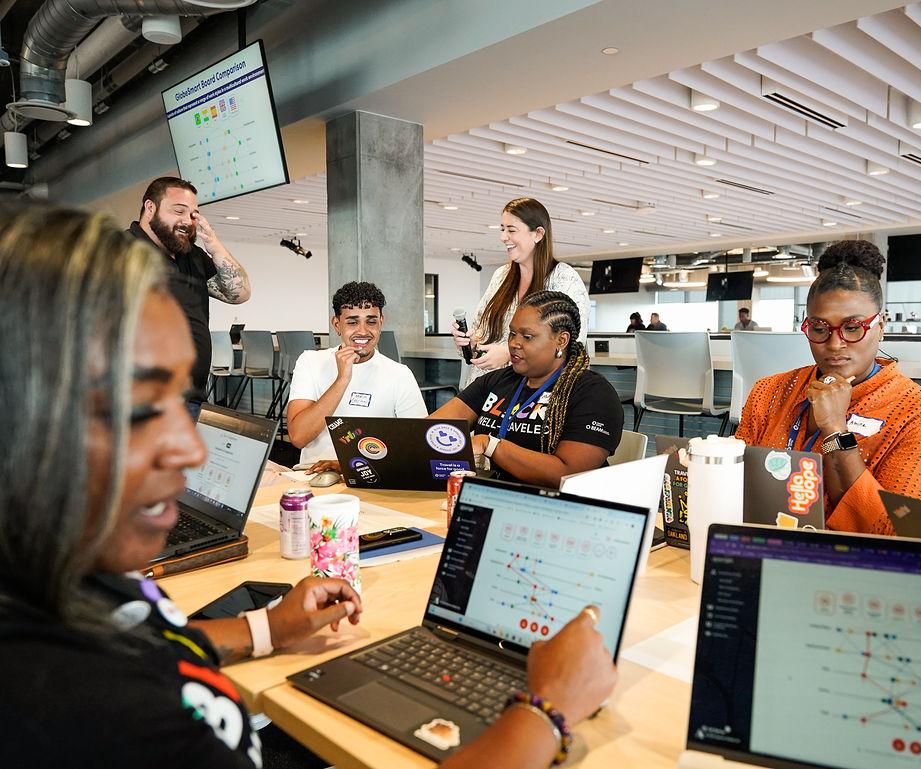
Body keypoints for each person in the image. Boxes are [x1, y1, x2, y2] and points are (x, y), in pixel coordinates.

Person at [0, 205, 617, 769]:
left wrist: (266, 628)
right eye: (141, 408)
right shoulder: (89, 711)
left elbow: (141, 637)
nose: (191, 450)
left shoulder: (68, 586)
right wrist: (546, 712)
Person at [734, 240, 921, 535]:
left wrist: (835, 430)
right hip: (760, 546)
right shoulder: (769, 391)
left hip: (855, 569)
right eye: (820, 329)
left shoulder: (919, 413)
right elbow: (733, 485)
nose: (835, 345)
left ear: (881, 326)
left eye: (853, 327)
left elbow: (893, 532)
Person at [434, 290, 624, 488]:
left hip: (556, 509)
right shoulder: (497, 381)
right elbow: (428, 432)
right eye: (512, 334)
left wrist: (490, 445)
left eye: (527, 336)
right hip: (491, 498)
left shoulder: (593, 394)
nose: (514, 343)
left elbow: (567, 474)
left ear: (561, 340)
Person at [127, 177, 251, 419]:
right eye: (179, 210)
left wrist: (212, 243)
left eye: (194, 213)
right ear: (150, 208)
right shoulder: (121, 251)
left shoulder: (191, 256)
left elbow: (239, 293)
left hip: (192, 400)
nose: (188, 220)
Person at [287, 281, 427, 471]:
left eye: (371, 321)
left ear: (381, 322)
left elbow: (417, 445)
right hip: (311, 474)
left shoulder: (400, 374)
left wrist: (348, 466)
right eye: (352, 322)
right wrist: (342, 380)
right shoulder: (310, 361)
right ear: (337, 325)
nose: (363, 331)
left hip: (374, 474)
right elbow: (298, 437)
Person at [452, 198, 589, 385]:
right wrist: (469, 342)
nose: (503, 237)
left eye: (511, 230)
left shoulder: (564, 279)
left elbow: (571, 345)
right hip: (487, 388)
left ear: (538, 234)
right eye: (502, 229)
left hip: (532, 392)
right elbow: (480, 334)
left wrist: (509, 353)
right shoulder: (501, 276)